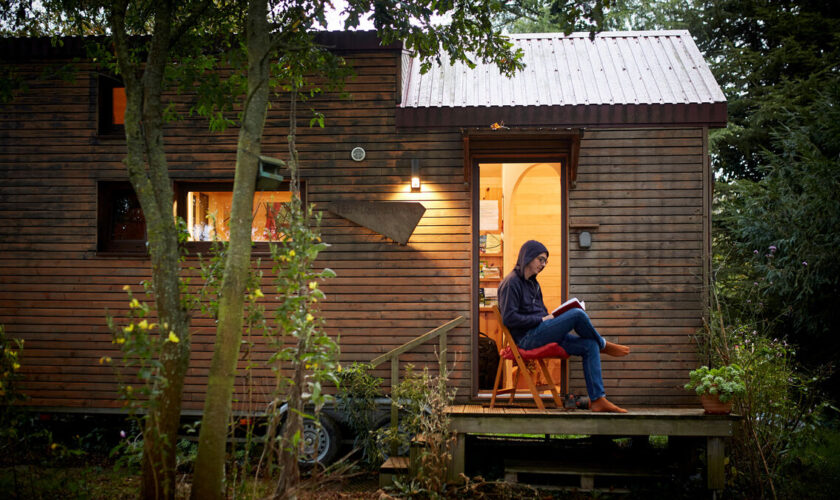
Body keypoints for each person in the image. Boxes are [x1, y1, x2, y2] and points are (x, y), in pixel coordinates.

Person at [498, 240, 631, 413]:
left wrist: (552, 318)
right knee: (577, 314)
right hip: (527, 339)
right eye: (540, 259)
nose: (543, 264)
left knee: (589, 346)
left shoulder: (534, 284)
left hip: (540, 332)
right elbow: (509, 318)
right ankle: (603, 344)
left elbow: (541, 313)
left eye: (545, 261)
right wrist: (542, 320)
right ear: (528, 256)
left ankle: (598, 399)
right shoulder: (511, 283)